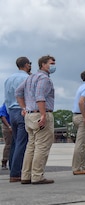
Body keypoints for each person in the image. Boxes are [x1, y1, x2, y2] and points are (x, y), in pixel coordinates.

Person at [15, 55, 56, 184]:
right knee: (42, 146)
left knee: (31, 146)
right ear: (43, 64)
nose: (53, 65)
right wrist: (43, 115)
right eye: (51, 63)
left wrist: (24, 107)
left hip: (29, 114)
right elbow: (40, 96)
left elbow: (18, 92)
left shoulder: (30, 77)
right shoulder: (44, 78)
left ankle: (26, 175)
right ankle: (37, 175)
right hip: (40, 113)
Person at [4, 56, 31, 183]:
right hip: (22, 110)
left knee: (15, 142)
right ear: (26, 65)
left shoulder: (8, 79)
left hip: (12, 111)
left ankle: (12, 169)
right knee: (22, 143)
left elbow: (7, 99)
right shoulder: (27, 78)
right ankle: (16, 172)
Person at [0, 103, 12, 170]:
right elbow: (2, 116)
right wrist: (9, 126)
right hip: (7, 126)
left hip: (15, 125)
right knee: (8, 145)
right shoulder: (5, 105)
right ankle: (4, 161)